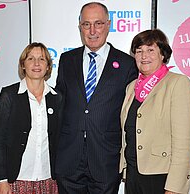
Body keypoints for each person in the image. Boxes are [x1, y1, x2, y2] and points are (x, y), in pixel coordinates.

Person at [54, 2, 137, 194]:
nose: (92, 31)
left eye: (98, 23)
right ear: (80, 27)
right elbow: (59, 105)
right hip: (69, 159)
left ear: (108, 24)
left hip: (105, 159)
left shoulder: (126, 64)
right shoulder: (67, 60)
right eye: (86, 24)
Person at [119, 29, 190, 194]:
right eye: (139, 51)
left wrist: (174, 187)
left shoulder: (177, 83)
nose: (143, 56)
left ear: (163, 54)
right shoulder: (131, 87)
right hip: (134, 174)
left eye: (150, 50)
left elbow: (183, 142)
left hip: (162, 176)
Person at [0, 42, 63, 194]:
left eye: (42, 59)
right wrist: (1, 181)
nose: (36, 63)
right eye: (31, 58)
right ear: (23, 65)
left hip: (49, 180)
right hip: (16, 180)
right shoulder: (9, 96)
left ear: (48, 66)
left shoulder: (58, 98)